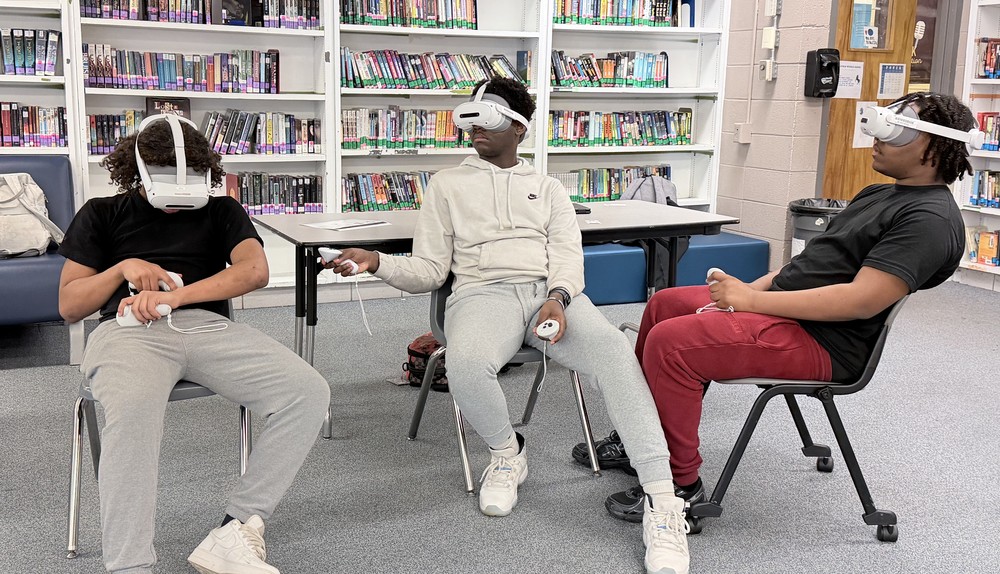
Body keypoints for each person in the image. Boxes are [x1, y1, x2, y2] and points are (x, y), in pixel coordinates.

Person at [324, 76, 693, 574]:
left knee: (614, 353)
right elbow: (431, 270)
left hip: (552, 297)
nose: (474, 131)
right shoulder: (447, 185)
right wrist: (380, 262)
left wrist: (559, 299)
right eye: (468, 121)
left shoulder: (548, 188)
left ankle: (662, 499)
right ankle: (506, 453)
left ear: (518, 129)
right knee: (468, 362)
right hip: (481, 296)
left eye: (489, 121)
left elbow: (567, 259)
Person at [579, 91, 971, 525]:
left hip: (824, 341)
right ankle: (640, 441)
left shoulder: (930, 221)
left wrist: (751, 302)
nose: (878, 138)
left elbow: (860, 301)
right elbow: (808, 265)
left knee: (674, 346)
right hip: (787, 312)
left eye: (898, 132)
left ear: (936, 147)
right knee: (666, 305)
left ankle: (677, 487)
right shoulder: (880, 193)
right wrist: (750, 289)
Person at [58, 116, 331, 574]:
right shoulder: (102, 213)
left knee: (307, 391)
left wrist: (175, 296)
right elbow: (69, 305)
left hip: (204, 325)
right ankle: (130, 566)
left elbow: (254, 272)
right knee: (134, 411)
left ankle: (236, 529)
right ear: (139, 171)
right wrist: (122, 268)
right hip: (127, 331)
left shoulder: (221, 210)